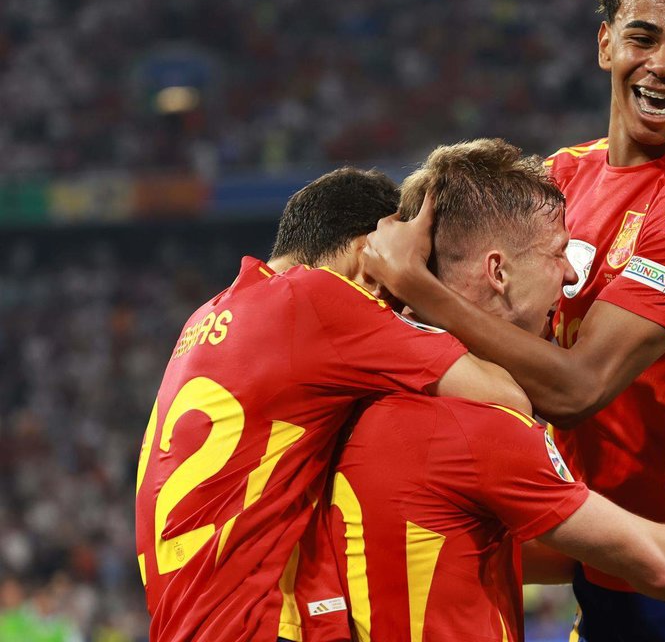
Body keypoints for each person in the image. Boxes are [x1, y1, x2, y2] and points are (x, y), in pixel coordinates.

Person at [360, 0, 665, 641]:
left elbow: (577, 389)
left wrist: (417, 289)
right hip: (620, 558)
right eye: (643, 37)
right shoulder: (567, 175)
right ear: (606, 45)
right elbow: (468, 276)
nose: (662, 65)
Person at [292, 139, 665, 642]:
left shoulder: (365, 386)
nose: (571, 277)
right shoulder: (485, 423)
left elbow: (516, 543)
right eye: (559, 253)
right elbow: (653, 559)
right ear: (497, 270)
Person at [134, 167, 529, 641]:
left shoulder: (209, 315)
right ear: (370, 252)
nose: (393, 302)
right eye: (398, 276)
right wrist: (421, 286)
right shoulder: (318, 299)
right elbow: (507, 398)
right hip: (256, 625)